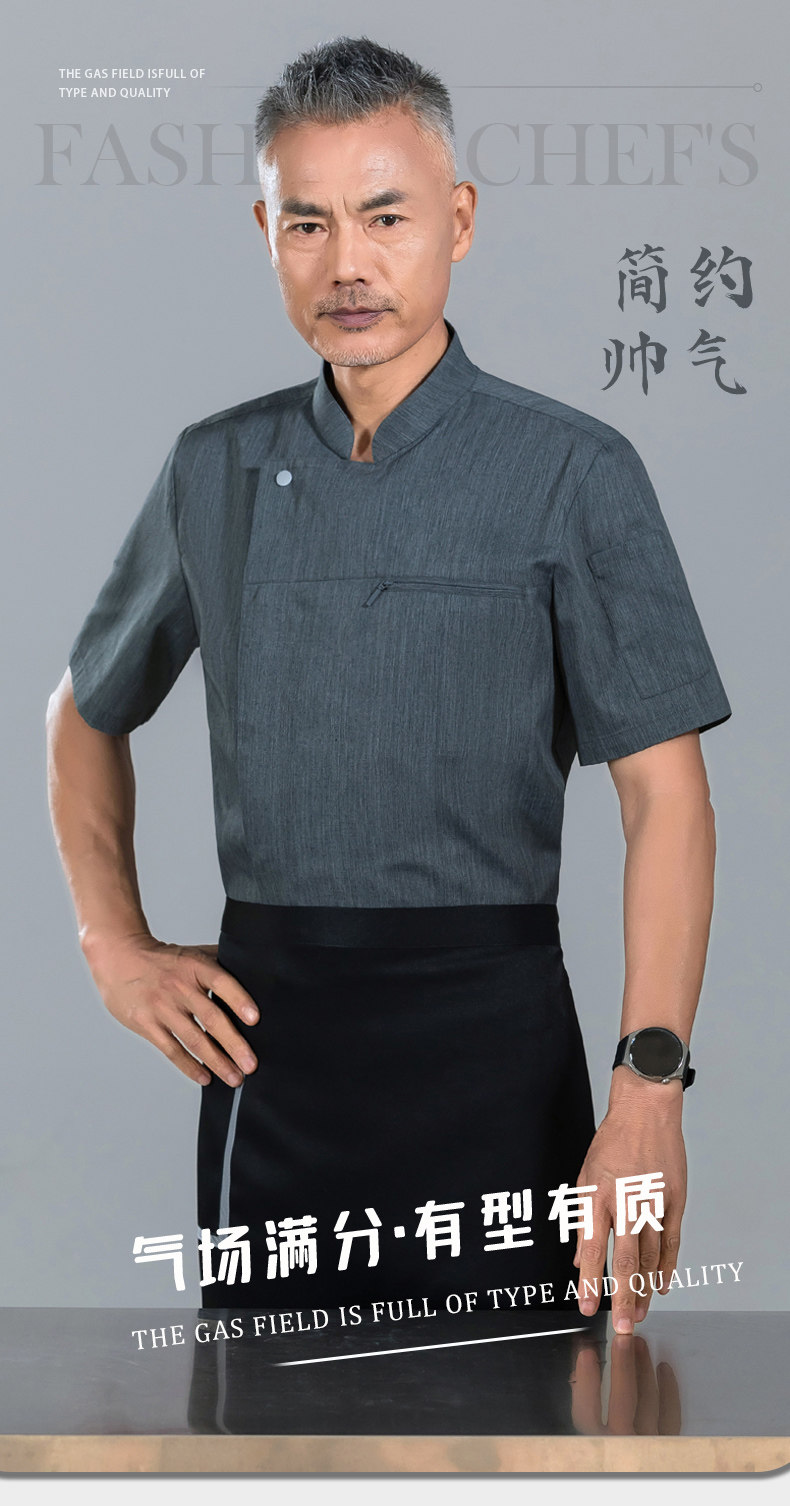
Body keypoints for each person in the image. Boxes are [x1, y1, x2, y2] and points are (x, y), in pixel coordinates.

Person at [46, 35, 731, 1330]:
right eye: (307, 222)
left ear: (457, 221)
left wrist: (648, 1091)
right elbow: (82, 709)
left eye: (385, 215)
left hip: (497, 1051)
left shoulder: (572, 471)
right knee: (267, 1416)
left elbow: (667, 798)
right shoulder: (214, 468)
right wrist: (110, 942)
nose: (345, 263)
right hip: (272, 1064)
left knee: (529, 1415)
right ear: (266, 232)